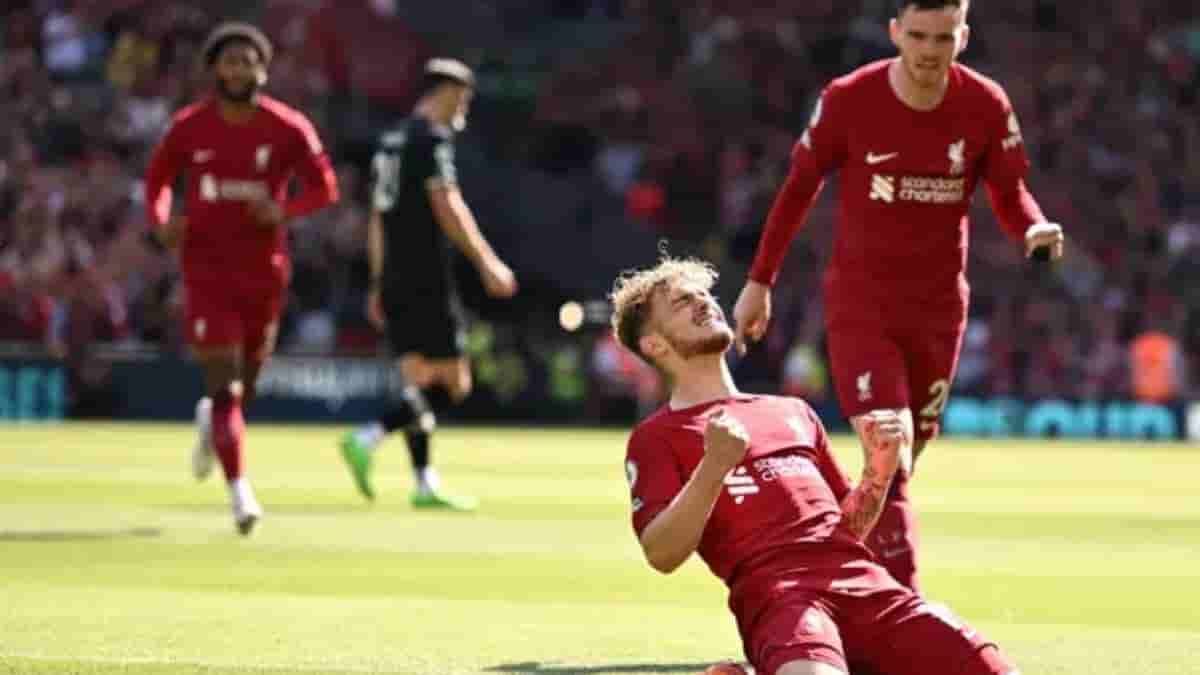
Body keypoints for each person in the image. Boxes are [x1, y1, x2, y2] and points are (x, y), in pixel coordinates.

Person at [732, 0, 1065, 592]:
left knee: (894, 471)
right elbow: (799, 187)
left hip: (939, 311)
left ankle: (826, 580)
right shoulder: (849, 99)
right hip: (862, 305)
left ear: (963, 36)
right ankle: (904, 609)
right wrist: (761, 280)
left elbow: (1009, 190)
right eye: (917, 35)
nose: (929, 51)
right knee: (892, 451)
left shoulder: (985, 104)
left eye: (942, 37)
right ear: (894, 33)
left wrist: (1033, 228)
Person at [612, 256, 1018, 675]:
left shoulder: (793, 411)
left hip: (868, 584)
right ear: (654, 344)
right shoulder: (657, 436)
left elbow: (847, 530)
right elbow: (661, 553)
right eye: (682, 302)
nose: (703, 302)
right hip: (783, 599)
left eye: (704, 294)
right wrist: (714, 466)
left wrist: (877, 472)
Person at [143, 22, 340, 534]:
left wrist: (283, 210)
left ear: (263, 70)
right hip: (207, 271)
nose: (238, 70)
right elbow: (157, 180)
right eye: (229, 61)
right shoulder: (189, 127)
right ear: (214, 70)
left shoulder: (288, 127)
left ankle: (212, 424)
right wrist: (162, 222)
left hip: (264, 272)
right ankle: (240, 492)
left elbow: (325, 187)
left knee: (244, 388)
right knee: (226, 386)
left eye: (248, 61)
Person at [339, 58, 518, 509]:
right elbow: (447, 203)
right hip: (426, 277)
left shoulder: (389, 143)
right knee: (455, 383)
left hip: (395, 276)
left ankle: (423, 483)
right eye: (463, 98)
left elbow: (378, 217)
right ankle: (368, 436)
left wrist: (377, 281)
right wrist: (487, 262)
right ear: (444, 93)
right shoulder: (430, 140)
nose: (464, 108)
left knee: (417, 380)